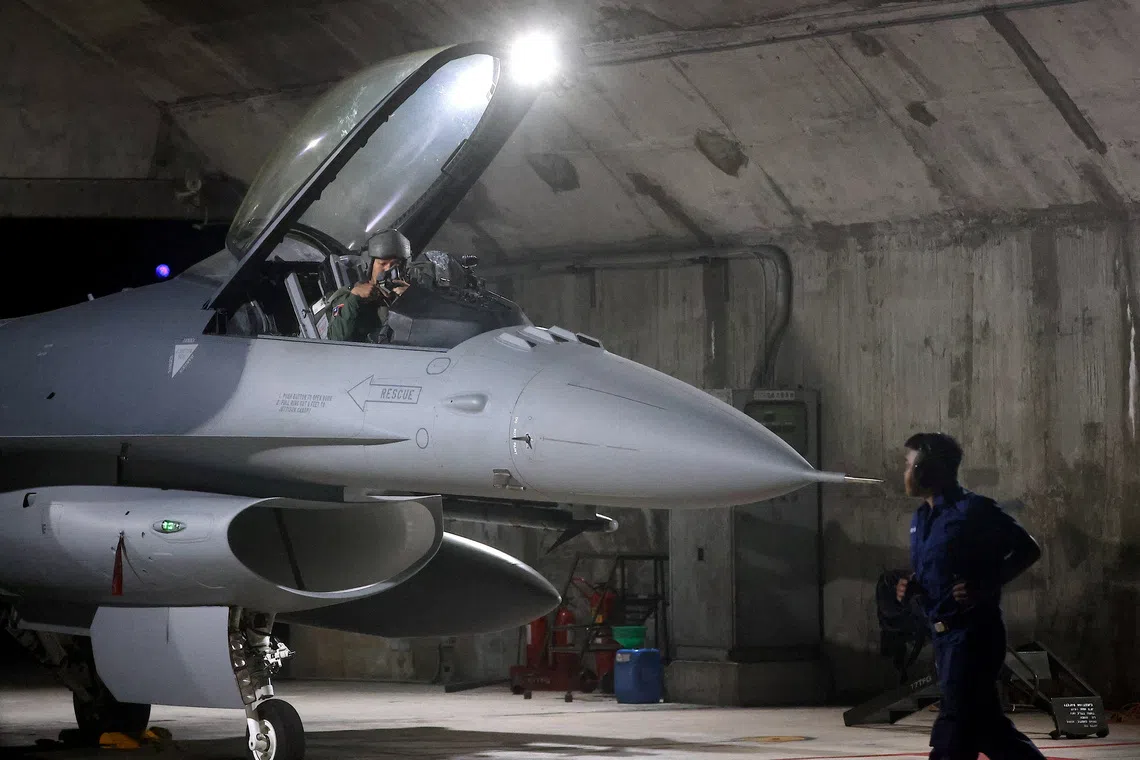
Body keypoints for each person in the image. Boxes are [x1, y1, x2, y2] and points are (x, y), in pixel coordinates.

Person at [902, 432, 1045, 760]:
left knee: (955, 724)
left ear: (928, 469)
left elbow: (1028, 549)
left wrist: (986, 585)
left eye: (909, 465)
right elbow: (935, 574)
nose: (905, 472)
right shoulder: (921, 520)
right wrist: (913, 587)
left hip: (973, 637)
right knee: (987, 727)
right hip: (943, 638)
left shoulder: (974, 511)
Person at [326, 229, 412, 343]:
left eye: (396, 264)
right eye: (382, 264)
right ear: (370, 264)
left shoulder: (407, 292)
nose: (388, 269)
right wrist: (354, 299)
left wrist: (412, 299)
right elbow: (336, 338)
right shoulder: (347, 298)